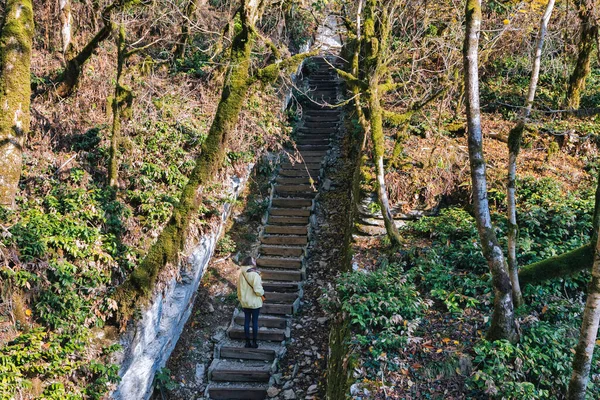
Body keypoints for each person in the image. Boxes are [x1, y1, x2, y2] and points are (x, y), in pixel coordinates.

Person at [237, 256, 264, 348]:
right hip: (255, 302)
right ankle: (254, 342)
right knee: (255, 322)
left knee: (246, 322)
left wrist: (241, 299)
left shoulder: (241, 274)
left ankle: (247, 342)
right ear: (250, 263)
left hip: (245, 302)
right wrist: (262, 293)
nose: (255, 261)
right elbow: (258, 290)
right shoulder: (255, 275)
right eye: (253, 260)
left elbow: (238, 289)